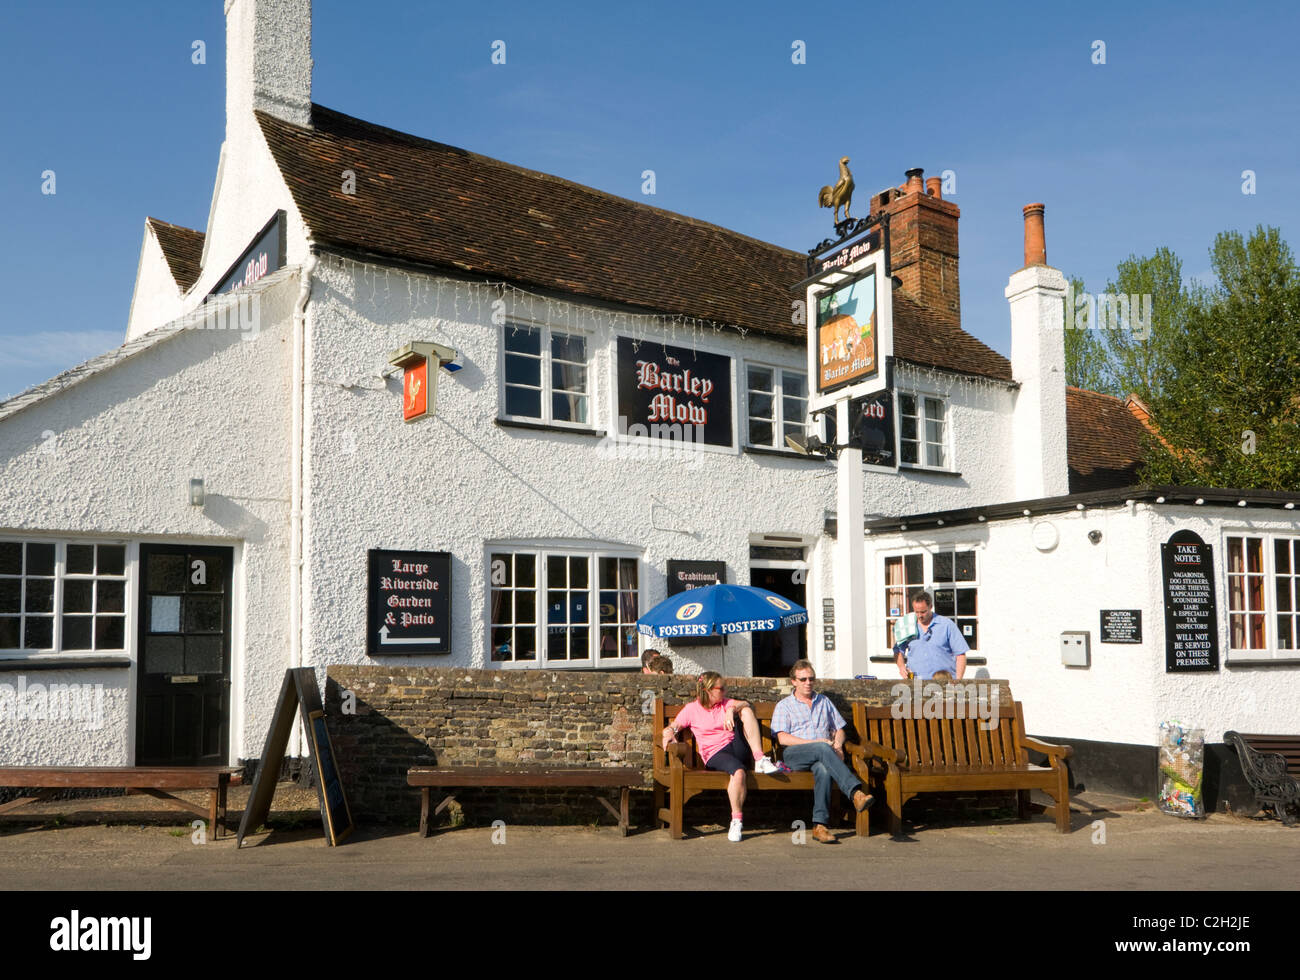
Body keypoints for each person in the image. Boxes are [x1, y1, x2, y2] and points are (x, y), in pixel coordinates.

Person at [661, 671, 779, 841]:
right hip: (715, 754)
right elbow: (674, 726)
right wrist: (668, 733)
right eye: (721, 688)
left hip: (737, 747)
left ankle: (760, 759)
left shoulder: (726, 703)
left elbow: (746, 703)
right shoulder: (691, 710)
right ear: (708, 690)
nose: (725, 691)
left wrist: (731, 709)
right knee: (739, 773)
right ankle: (736, 821)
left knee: (745, 710)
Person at [771, 660, 874, 843]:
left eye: (811, 679)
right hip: (794, 755)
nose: (808, 683)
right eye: (803, 679)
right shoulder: (784, 705)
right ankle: (855, 793)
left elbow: (839, 729)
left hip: (824, 754)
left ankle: (819, 826)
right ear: (793, 681)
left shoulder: (823, 701)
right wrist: (818, 743)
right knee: (821, 748)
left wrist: (838, 745)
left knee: (824, 769)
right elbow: (782, 738)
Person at [893, 589, 968, 680]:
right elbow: (898, 651)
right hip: (915, 682)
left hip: (944, 681)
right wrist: (901, 667)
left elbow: (960, 654)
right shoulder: (907, 625)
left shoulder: (946, 625)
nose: (920, 615)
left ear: (931, 607)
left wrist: (958, 680)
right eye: (916, 612)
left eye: (923, 612)